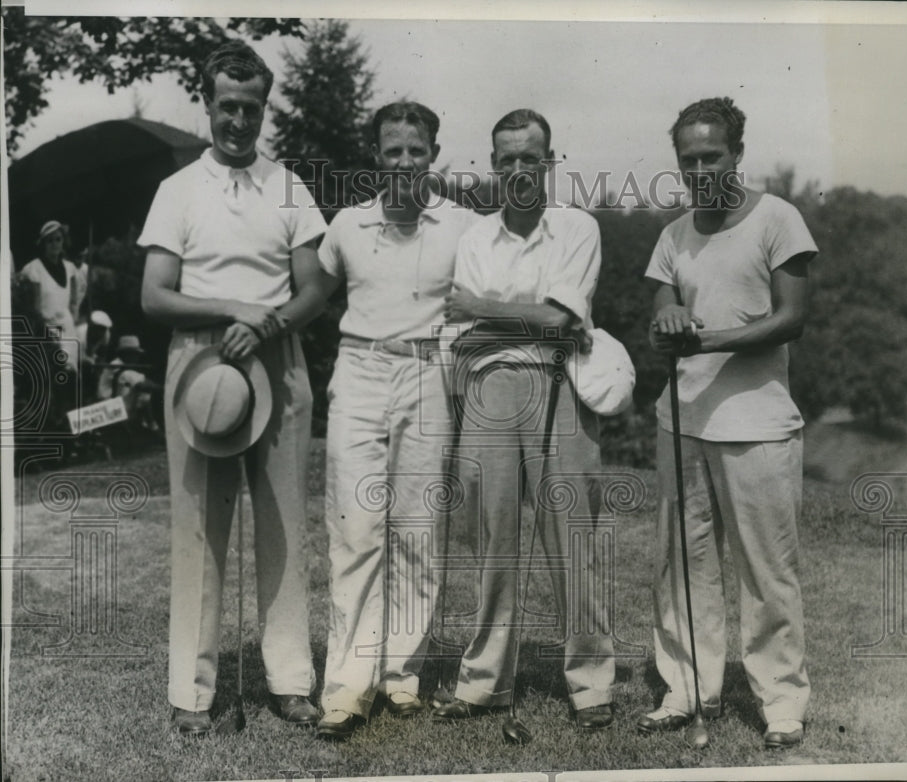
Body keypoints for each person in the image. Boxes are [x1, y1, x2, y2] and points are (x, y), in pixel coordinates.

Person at [139, 40, 331, 737]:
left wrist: (270, 321)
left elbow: (314, 286)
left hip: (277, 363)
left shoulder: (288, 186)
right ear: (208, 101)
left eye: (251, 109)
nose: (239, 122)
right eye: (227, 107)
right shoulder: (178, 190)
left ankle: (290, 680)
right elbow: (156, 297)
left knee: (283, 522)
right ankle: (192, 692)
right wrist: (232, 312)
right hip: (199, 368)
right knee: (199, 531)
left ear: (264, 107)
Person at [432, 109, 616, 732]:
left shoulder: (578, 227)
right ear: (493, 166)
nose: (517, 169)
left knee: (573, 540)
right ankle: (487, 682)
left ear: (550, 162)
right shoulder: (475, 237)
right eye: (506, 158)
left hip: (561, 383)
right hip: (488, 388)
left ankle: (591, 682)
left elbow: (560, 321)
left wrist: (487, 310)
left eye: (529, 158)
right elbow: (463, 331)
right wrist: (520, 316)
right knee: (493, 541)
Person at [641, 97, 817, 749]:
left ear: (737, 153)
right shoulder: (675, 233)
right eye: (687, 160)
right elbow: (663, 308)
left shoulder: (778, 218)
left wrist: (704, 339)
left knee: (768, 570)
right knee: (682, 565)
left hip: (759, 425)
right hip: (681, 422)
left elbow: (791, 316)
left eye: (711, 155)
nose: (699, 169)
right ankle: (687, 687)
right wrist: (666, 322)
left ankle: (780, 699)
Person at [314, 101, 480, 741]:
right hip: (358, 372)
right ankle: (348, 687)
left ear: (433, 153)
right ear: (375, 157)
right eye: (392, 151)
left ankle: (402, 677)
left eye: (416, 150)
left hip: (428, 377)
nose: (404, 162)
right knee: (358, 528)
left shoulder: (463, 226)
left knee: (417, 528)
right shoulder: (348, 224)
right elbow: (310, 295)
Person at [20, 220, 81, 371]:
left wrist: (71, 318)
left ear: (63, 242)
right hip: (47, 331)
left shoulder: (70, 268)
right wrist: (46, 335)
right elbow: (34, 309)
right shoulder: (35, 269)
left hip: (68, 330)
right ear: (43, 244)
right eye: (50, 241)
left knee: (70, 374)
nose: (55, 244)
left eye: (58, 239)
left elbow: (74, 300)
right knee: (55, 371)